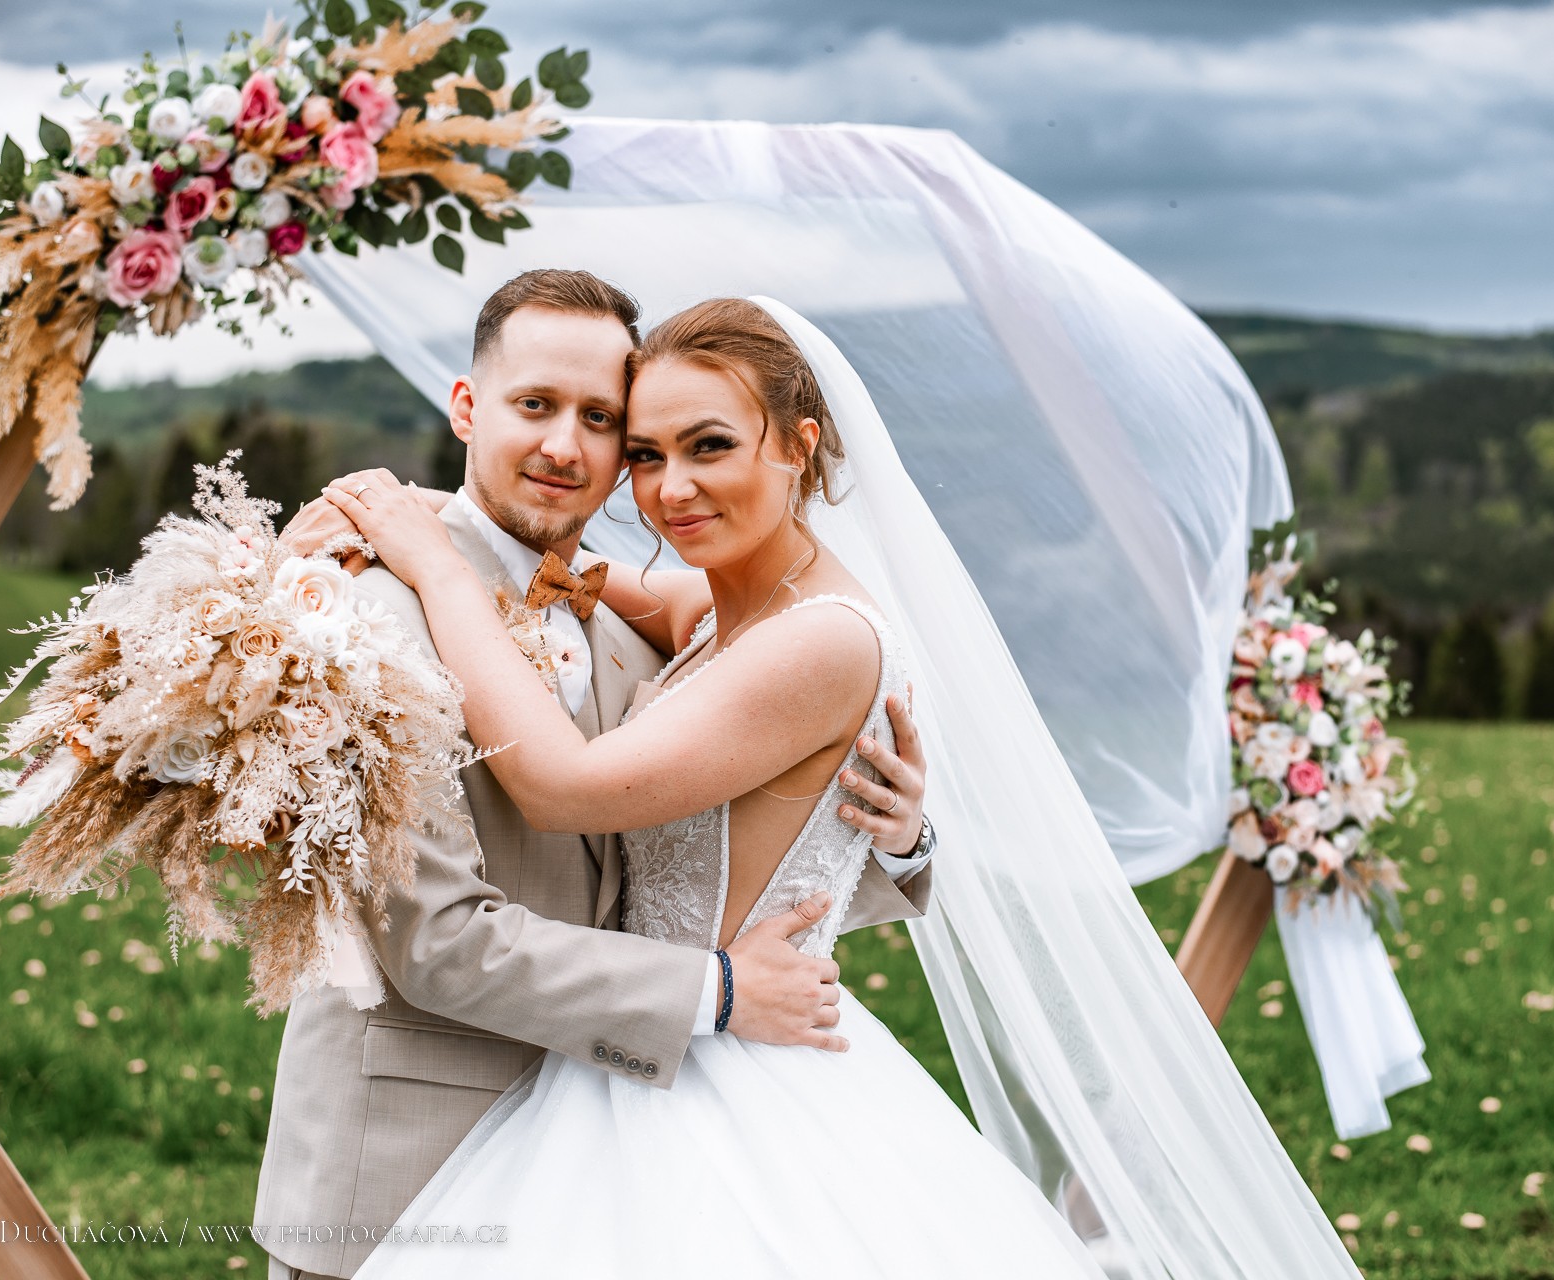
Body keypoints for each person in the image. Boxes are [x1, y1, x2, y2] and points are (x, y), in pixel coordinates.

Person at [313, 296, 1111, 1277]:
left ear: (799, 446)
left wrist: (438, 569)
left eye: (710, 446)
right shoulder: (713, 603)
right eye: (647, 453)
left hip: (724, 1072)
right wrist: (421, 515)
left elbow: (564, 788)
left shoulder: (819, 638)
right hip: (609, 1064)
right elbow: (557, 570)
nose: (671, 488)